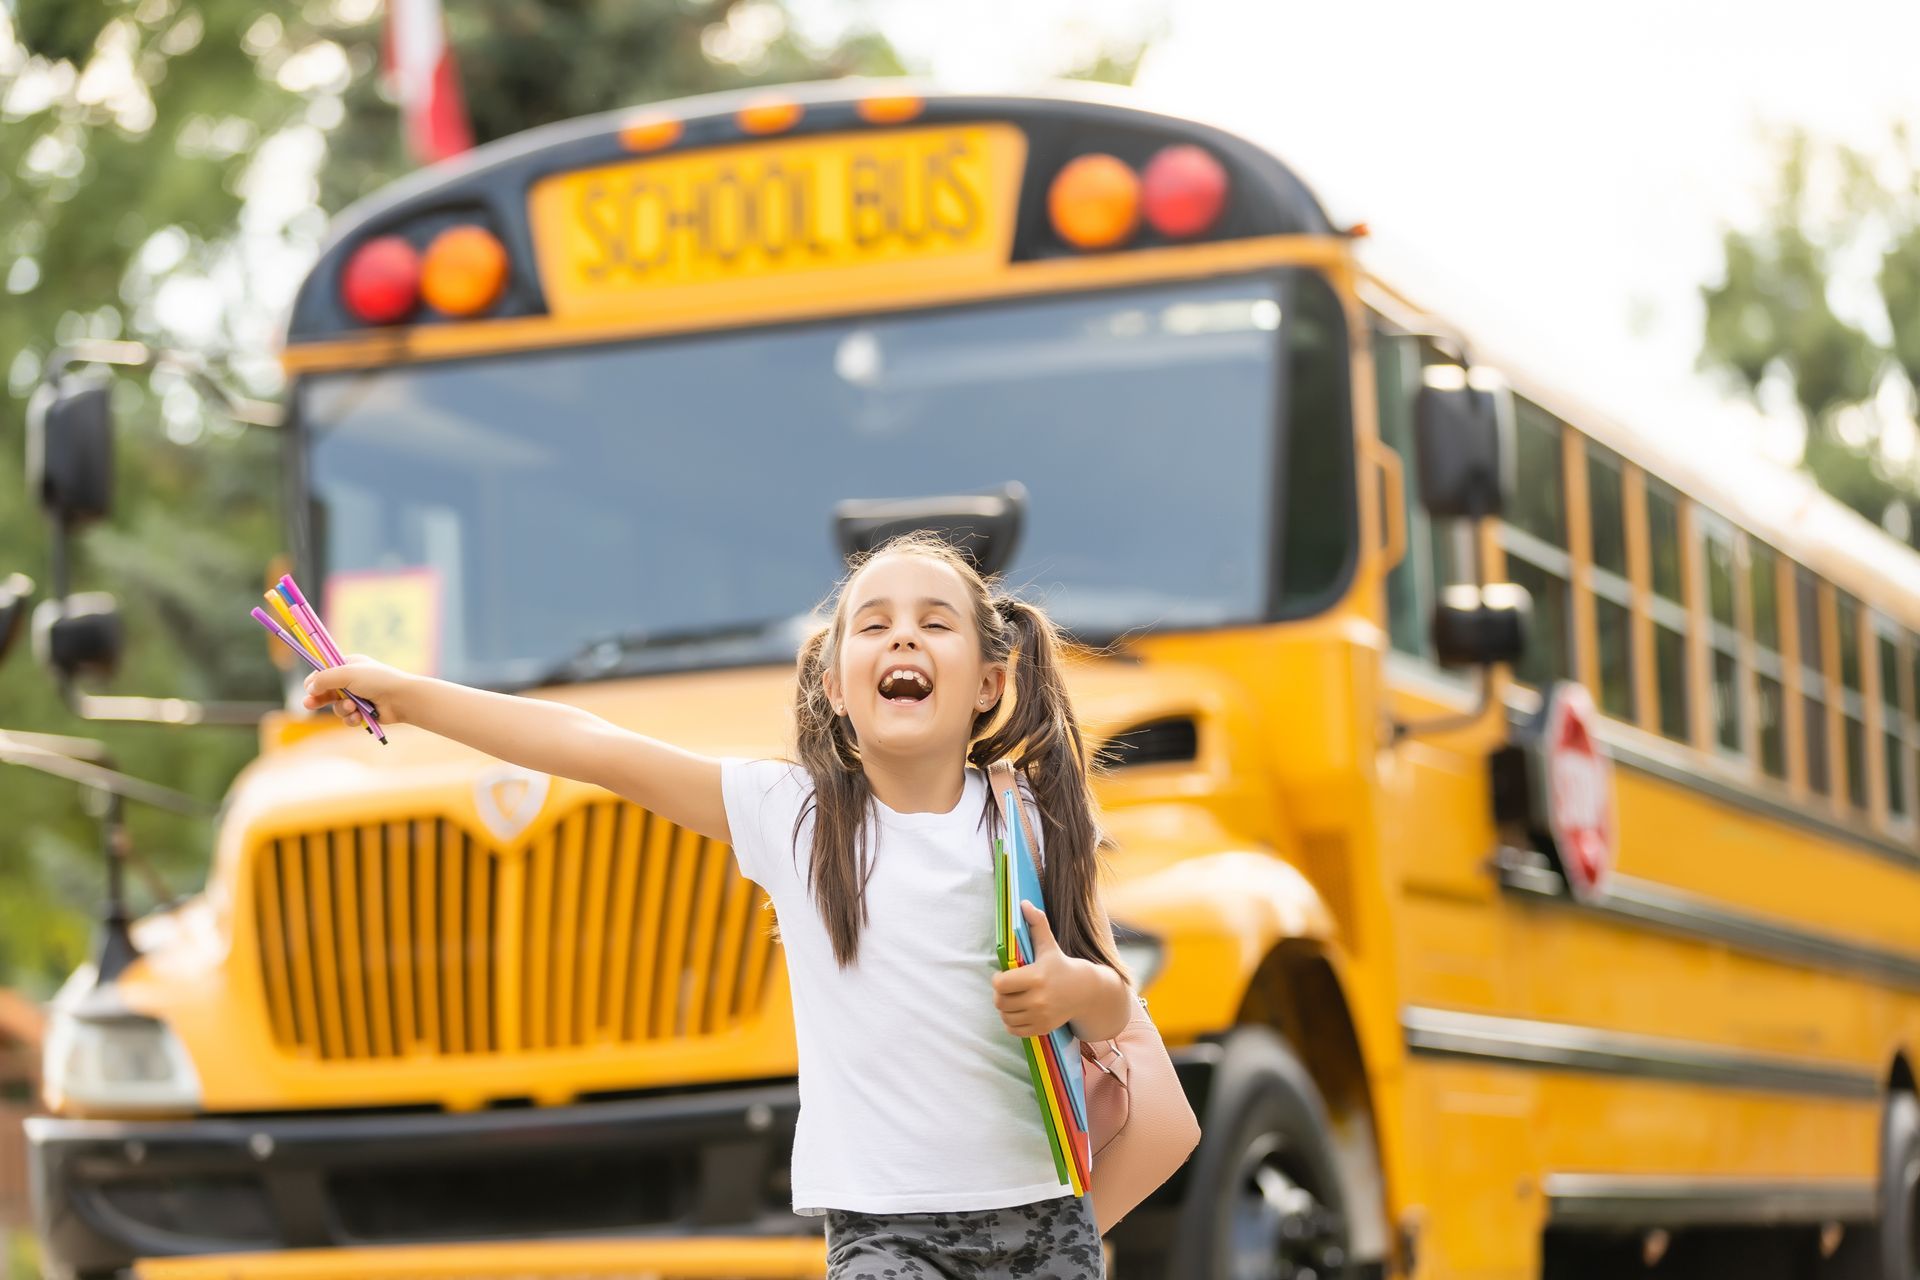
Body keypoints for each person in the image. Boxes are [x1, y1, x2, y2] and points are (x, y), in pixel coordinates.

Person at [302, 529, 1136, 1280]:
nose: (904, 636)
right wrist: (407, 694)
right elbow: (589, 746)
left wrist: (1072, 993)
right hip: (884, 1232)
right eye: (873, 624)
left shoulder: (1030, 817)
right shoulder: (795, 817)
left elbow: (1115, 1009)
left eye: (935, 621)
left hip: (1044, 1215)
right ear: (835, 686)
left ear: (990, 682)